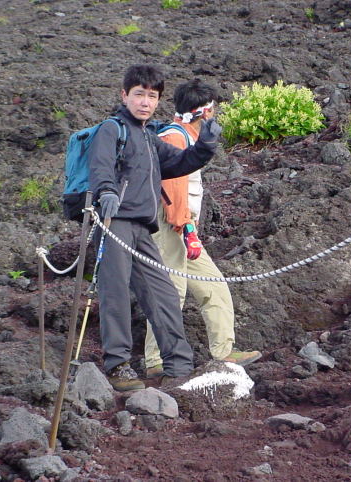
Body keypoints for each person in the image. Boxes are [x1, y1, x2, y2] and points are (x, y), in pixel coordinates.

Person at [88, 65, 222, 391]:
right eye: (139, 94)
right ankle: (118, 367)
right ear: (125, 95)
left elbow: (179, 163)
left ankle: (178, 367)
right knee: (115, 294)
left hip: (143, 229)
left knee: (162, 294)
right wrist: (106, 192)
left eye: (152, 96)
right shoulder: (112, 129)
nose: (145, 102)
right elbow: (101, 167)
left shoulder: (149, 137)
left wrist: (203, 147)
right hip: (114, 222)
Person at [143, 79, 261, 378]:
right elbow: (172, 188)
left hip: (182, 227)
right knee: (171, 292)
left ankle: (224, 351)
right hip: (171, 226)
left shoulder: (186, 136)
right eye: (213, 110)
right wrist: (186, 229)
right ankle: (156, 361)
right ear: (204, 113)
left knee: (213, 285)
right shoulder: (174, 137)